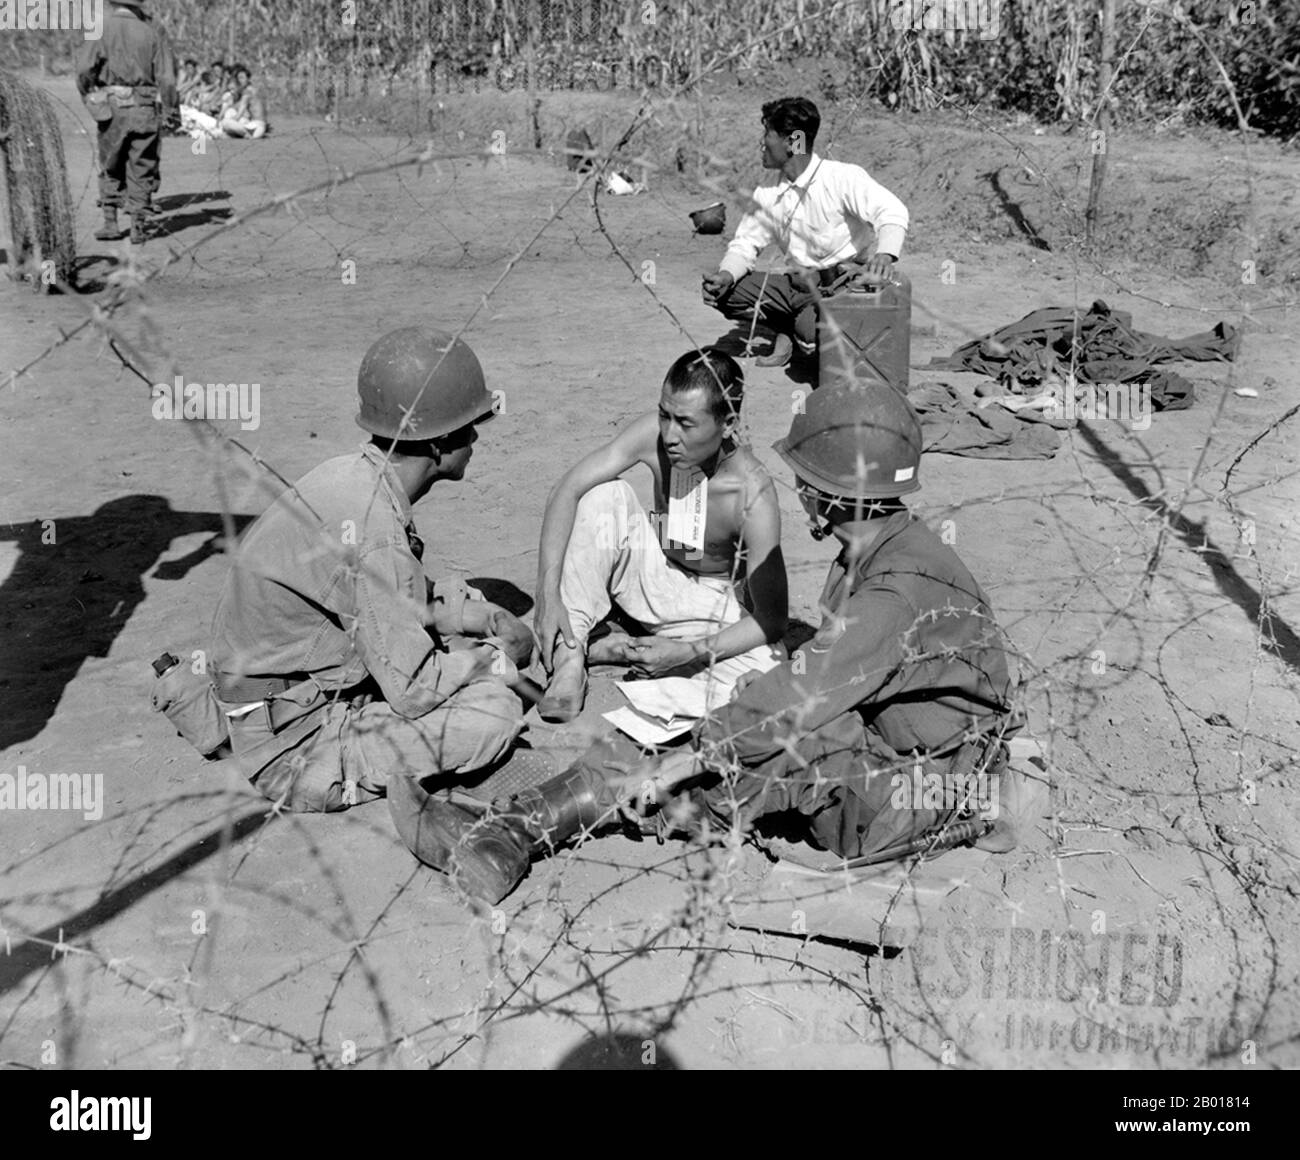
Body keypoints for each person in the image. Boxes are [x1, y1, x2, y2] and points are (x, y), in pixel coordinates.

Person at [426, 380, 1025, 904]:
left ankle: (518, 834)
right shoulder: (888, 548)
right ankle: (526, 822)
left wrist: (694, 755)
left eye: (805, 477)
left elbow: (802, 695)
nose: (798, 489)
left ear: (830, 490)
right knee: (751, 714)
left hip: (916, 792)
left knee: (749, 748)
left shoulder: (893, 592)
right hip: (918, 759)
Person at [207, 328, 531, 814]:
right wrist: (493, 658)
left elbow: (391, 600)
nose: (477, 437)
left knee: (460, 612)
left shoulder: (353, 476)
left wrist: (467, 618)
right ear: (441, 444)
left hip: (285, 692)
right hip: (291, 745)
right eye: (469, 427)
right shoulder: (372, 530)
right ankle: (347, 777)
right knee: (495, 713)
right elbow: (416, 690)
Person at [532, 347, 787, 723]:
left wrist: (691, 652)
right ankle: (571, 655)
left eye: (685, 423)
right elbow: (566, 489)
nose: (669, 434)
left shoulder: (753, 492)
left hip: (708, 604)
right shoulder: (652, 436)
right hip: (653, 570)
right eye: (664, 415)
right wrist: (548, 593)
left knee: (770, 668)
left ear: (728, 423)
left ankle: (624, 648)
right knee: (604, 494)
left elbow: (772, 620)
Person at [701, 96, 910, 367]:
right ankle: (787, 326)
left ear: (793, 142)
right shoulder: (767, 191)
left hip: (838, 287)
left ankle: (804, 330)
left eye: (768, 134)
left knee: (821, 342)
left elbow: (892, 211)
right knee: (727, 293)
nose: (762, 143)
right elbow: (745, 245)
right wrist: (726, 275)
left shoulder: (841, 178)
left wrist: (885, 255)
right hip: (795, 286)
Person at [77, 0, 177, 245]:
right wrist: (172, 111)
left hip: (111, 107)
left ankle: (110, 223)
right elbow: (167, 78)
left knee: (110, 162)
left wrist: (90, 95)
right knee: (142, 163)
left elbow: (83, 69)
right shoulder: (153, 31)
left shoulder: (99, 27)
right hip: (144, 106)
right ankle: (138, 226)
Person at [220, 64, 269, 139]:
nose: (240, 81)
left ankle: (245, 133)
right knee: (230, 115)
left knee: (225, 123)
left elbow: (239, 115)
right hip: (257, 126)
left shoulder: (247, 92)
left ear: (248, 79)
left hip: (256, 126)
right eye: (238, 78)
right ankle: (243, 134)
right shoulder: (252, 89)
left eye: (242, 78)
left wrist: (223, 124)